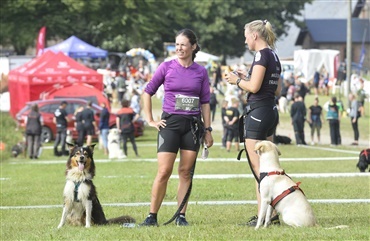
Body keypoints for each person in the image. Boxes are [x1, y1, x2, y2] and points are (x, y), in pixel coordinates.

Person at [140, 29, 213, 227]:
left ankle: (181, 216)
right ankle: (151, 216)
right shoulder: (166, 67)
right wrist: (150, 120)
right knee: (164, 171)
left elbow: (205, 102)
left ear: (193, 47)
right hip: (170, 125)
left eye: (183, 44)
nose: (179, 48)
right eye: (177, 44)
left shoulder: (201, 71)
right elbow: (147, 92)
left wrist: (208, 130)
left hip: (192, 126)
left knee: (185, 172)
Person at [225, 19, 282, 226]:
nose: (245, 40)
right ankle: (266, 213)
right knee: (268, 166)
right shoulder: (274, 55)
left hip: (258, 112)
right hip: (270, 111)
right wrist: (247, 76)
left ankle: (268, 216)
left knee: (258, 168)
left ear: (255, 36)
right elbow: (276, 90)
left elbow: (255, 87)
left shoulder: (260, 54)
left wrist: (237, 81)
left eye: (246, 36)